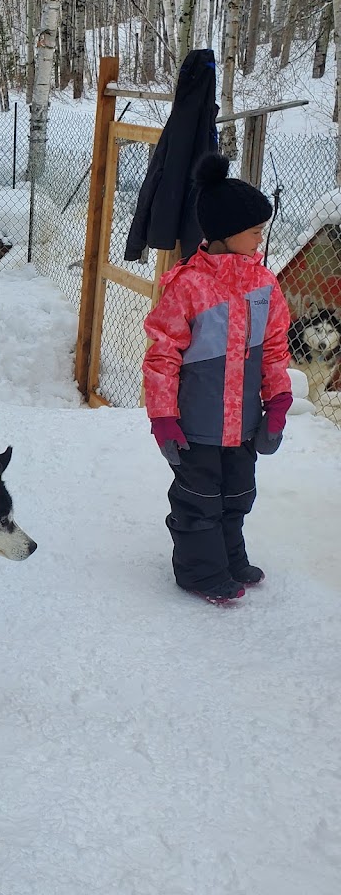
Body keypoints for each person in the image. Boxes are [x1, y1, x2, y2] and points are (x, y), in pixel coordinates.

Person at [142, 152, 292, 604]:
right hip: (197, 426)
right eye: (255, 230)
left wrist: (278, 403)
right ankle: (200, 572)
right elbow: (162, 356)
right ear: (226, 234)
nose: (260, 236)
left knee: (237, 494)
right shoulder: (188, 285)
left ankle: (229, 558)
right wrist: (164, 418)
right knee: (197, 499)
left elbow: (274, 349)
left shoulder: (265, 284)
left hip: (243, 423)